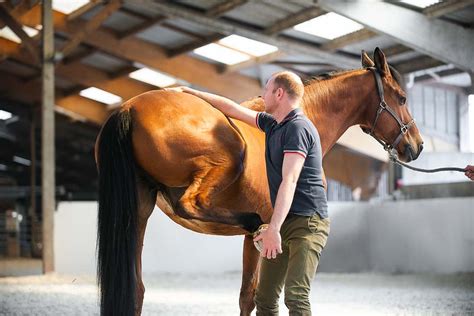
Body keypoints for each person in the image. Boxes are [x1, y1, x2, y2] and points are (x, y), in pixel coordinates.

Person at [166, 71, 329, 315]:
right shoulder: (274, 125)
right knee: (264, 298)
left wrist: (273, 229)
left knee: (295, 297)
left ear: (279, 93)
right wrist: (191, 93)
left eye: (266, 89)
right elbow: (232, 109)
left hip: (308, 224)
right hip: (284, 221)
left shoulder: (298, 128)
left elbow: (290, 180)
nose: (262, 95)